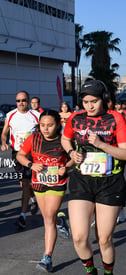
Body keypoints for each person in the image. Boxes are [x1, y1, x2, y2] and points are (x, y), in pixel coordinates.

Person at [61, 79, 126, 275]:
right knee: (79, 237)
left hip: (110, 182)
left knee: (104, 238)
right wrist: (72, 152)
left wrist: (101, 144)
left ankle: (108, 273)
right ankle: (91, 271)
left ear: (104, 99)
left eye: (94, 101)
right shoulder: (76, 118)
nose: (89, 106)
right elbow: (65, 139)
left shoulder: (116, 118)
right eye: (86, 102)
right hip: (82, 180)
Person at [17, 110, 73, 272]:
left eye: (50, 125)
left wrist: (65, 167)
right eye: (42, 125)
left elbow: (74, 157)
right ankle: (60, 222)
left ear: (58, 125)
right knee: (48, 217)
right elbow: (20, 155)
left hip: (57, 183)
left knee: (48, 217)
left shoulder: (64, 140)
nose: (46, 129)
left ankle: (47, 257)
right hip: (38, 183)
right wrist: (30, 164)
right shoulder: (33, 139)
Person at [0, 90, 40, 229]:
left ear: (28, 101)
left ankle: (22, 215)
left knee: (26, 182)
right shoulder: (10, 115)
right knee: (24, 184)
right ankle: (34, 199)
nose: (21, 103)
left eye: (23, 100)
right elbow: (4, 133)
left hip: (32, 154)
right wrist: (4, 142)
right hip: (17, 153)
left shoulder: (36, 115)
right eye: (18, 101)